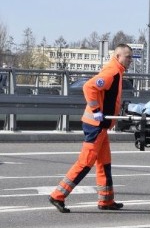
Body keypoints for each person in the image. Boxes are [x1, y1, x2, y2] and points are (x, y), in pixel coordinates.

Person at [48, 44, 133, 212]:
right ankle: (57, 195)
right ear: (118, 56)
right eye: (128, 57)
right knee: (85, 163)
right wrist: (96, 111)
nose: (130, 60)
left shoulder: (116, 71)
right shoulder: (112, 72)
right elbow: (89, 87)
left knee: (104, 163)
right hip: (96, 125)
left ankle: (106, 201)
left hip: (101, 126)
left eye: (131, 57)